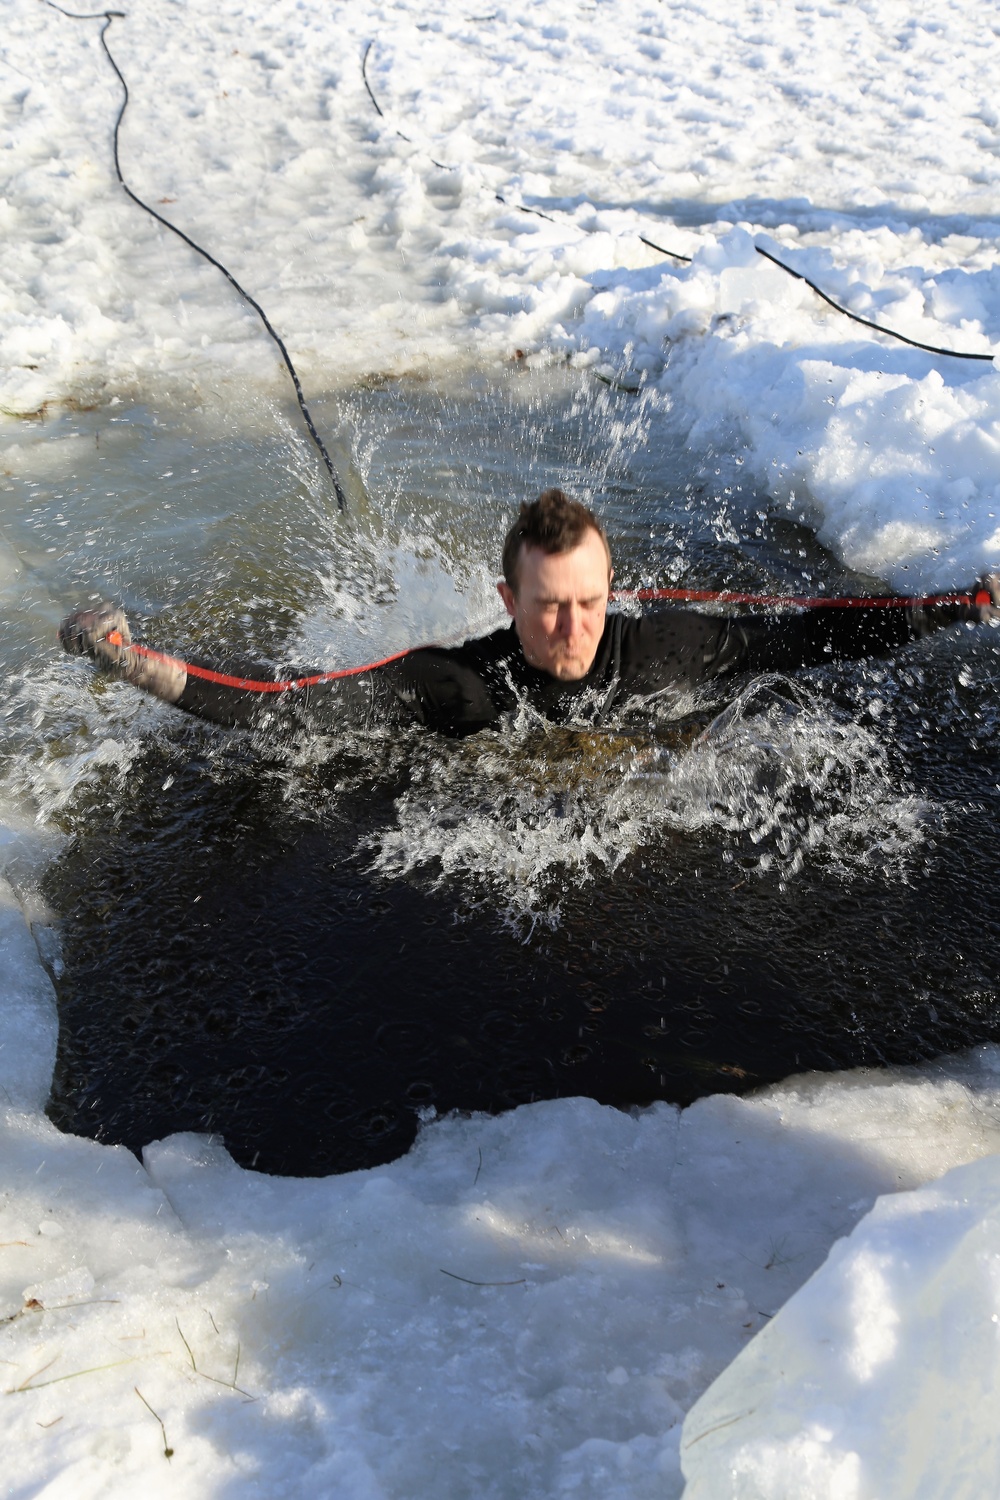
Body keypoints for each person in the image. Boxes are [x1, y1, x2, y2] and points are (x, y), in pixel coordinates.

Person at [59, 488, 1000, 738]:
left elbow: (815, 629)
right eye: (549, 608)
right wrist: (135, 662)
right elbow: (289, 705)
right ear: (508, 601)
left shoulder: (670, 648)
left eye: (590, 603)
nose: (573, 630)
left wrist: (965, 605)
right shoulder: (458, 684)